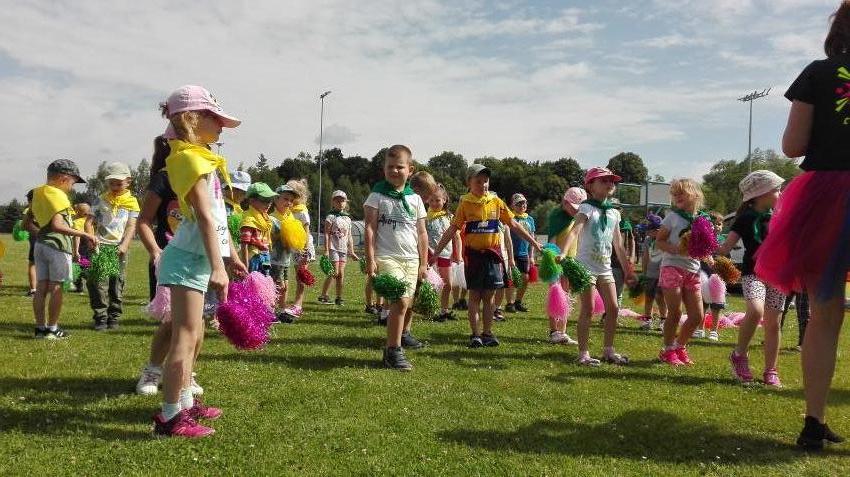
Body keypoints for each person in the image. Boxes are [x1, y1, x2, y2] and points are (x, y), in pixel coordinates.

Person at [757, 3, 850, 449]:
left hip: (827, 199)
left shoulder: (818, 72)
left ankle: (814, 422)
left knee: (824, 315)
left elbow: (793, 146)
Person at [152, 85, 247, 438]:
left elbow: (218, 216)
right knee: (185, 337)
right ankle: (170, 417)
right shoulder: (190, 160)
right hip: (189, 259)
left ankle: (186, 403)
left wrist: (230, 255)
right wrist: (219, 267)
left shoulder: (199, 157)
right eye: (215, 118)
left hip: (199, 257)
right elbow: (205, 218)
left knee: (194, 335)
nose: (222, 125)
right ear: (193, 119)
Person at [432, 164, 542, 349]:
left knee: (489, 297)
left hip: (492, 256)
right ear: (469, 183)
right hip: (473, 257)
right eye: (478, 181)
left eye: (486, 181)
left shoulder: (496, 201)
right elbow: (453, 228)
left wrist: (535, 243)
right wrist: (436, 252)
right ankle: (475, 335)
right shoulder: (465, 203)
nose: (483, 184)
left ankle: (488, 333)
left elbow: (514, 224)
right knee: (474, 296)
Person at [557, 168, 635, 365]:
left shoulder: (614, 213)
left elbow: (618, 245)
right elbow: (575, 231)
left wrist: (628, 270)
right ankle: (583, 353)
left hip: (605, 268)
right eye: (603, 181)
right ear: (590, 186)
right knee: (588, 308)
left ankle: (608, 351)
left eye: (611, 181)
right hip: (586, 267)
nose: (609, 184)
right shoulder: (586, 208)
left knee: (614, 308)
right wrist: (564, 252)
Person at [716, 171, 786, 387]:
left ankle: (770, 370)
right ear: (761, 194)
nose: (781, 193)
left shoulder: (781, 215)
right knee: (755, 311)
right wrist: (703, 244)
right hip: (753, 274)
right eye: (777, 189)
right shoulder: (744, 218)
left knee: (773, 324)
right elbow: (725, 247)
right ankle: (739, 355)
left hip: (777, 275)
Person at [364, 145, 428, 371]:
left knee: (406, 303)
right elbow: (370, 228)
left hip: (411, 259)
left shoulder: (415, 199)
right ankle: (393, 350)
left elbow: (422, 233)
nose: (394, 171)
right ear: (384, 169)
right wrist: (370, 258)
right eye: (390, 167)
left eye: (399, 167)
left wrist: (423, 263)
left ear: (410, 170)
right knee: (399, 301)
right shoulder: (376, 196)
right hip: (387, 256)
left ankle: (396, 344)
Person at [28, 160, 95, 339]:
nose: (72, 188)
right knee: (57, 287)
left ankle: (40, 329)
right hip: (58, 247)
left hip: (40, 246)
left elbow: (27, 223)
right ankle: (52, 329)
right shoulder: (59, 196)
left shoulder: (37, 193)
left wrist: (43, 235)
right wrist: (86, 235)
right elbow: (57, 226)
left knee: (41, 288)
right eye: (72, 182)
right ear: (63, 179)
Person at [654, 178, 707, 366]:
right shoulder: (672, 217)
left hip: (693, 270)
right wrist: (675, 249)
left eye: (681, 193)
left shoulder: (702, 220)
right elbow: (659, 241)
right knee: (675, 313)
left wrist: (707, 255)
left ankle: (679, 346)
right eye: (674, 194)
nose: (677, 196)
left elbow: (703, 246)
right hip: (672, 267)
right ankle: (668, 350)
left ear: (695, 195)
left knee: (697, 316)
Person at [87, 162, 140, 330]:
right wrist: (91, 238)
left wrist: (124, 245)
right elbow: (89, 222)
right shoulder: (100, 200)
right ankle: (100, 318)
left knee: (116, 283)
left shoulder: (132, 202)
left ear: (128, 181)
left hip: (119, 248)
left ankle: (114, 317)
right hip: (100, 247)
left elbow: (131, 226)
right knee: (98, 283)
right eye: (112, 183)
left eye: (119, 183)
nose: (115, 187)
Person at [549, 187, 587, 344]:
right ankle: (554, 331)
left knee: (566, 296)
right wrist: (552, 262)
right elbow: (552, 241)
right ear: (565, 203)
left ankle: (563, 331)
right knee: (555, 294)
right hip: (557, 261)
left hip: (570, 261)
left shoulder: (577, 218)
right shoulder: (557, 217)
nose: (575, 211)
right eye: (573, 207)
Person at [425, 184, 461, 322]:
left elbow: (456, 237)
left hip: (446, 255)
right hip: (430, 254)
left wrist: (458, 255)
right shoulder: (425, 217)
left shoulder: (450, 217)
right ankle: (431, 310)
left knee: (448, 284)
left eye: (438, 200)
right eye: (431, 200)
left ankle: (444, 310)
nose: (434, 203)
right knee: (432, 284)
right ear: (427, 200)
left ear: (444, 200)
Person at [319, 190, 360, 305]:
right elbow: (326, 234)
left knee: (341, 274)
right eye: (337, 201)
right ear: (333, 202)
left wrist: (352, 251)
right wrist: (326, 250)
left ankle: (338, 297)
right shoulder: (331, 217)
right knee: (335, 272)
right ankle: (323, 295)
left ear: (346, 203)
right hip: (333, 248)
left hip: (343, 250)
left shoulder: (347, 219)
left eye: (342, 201)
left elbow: (349, 236)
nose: (340, 203)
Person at [281, 179, 313, 321]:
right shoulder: (289, 211)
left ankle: (298, 305)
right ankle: (292, 303)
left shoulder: (302, 211)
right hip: (294, 248)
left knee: (301, 276)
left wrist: (305, 250)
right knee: (295, 276)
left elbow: (306, 230)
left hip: (303, 248)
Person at [694, 212, 727, 341]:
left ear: (722, 226)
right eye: (713, 224)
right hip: (703, 274)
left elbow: (726, 258)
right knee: (702, 303)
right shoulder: (703, 240)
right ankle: (700, 328)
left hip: (717, 277)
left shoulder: (723, 241)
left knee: (716, 305)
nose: (716, 226)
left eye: (719, 224)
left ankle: (714, 331)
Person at [505, 193, 535, 313]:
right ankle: (509, 303)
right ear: (513, 205)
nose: (522, 205)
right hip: (511, 253)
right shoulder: (510, 218)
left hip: (524, 254)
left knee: (525, 278)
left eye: (524, 202)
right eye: (519, 203)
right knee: (511, 279)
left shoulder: (530, 219)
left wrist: (531, 255)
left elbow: (532, 237)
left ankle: (518, 301)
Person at [239, 183, 277, 275]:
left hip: (265, 255)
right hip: (253, 257)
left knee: (266, 276)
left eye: (270, 200)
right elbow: (244, 244)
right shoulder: (249, 219)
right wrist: (245, 265)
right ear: (252, 200)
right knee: (253, 279)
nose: (269, 204)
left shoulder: (265, 218)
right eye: (265, 200)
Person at [638, 213, 667, 331]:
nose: (647, 232)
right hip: (650, 274)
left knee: (661, 298)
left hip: (663, 275)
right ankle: (647, 319)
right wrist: (644, 273)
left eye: (649, 230)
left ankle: (663, 320)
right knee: (649, 297)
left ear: (658, 230)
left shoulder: (666, 240)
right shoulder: (648, 240)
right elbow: (645, 257)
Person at [71, 202, 92, 293]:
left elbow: (77, 236)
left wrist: (76, 251)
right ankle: (87, 281)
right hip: (90, 246)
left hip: (82, 247)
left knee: (77, 266)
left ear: (78, 212)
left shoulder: (77, 222)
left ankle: (81, 285)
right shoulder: (90, 221)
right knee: (85, 265)